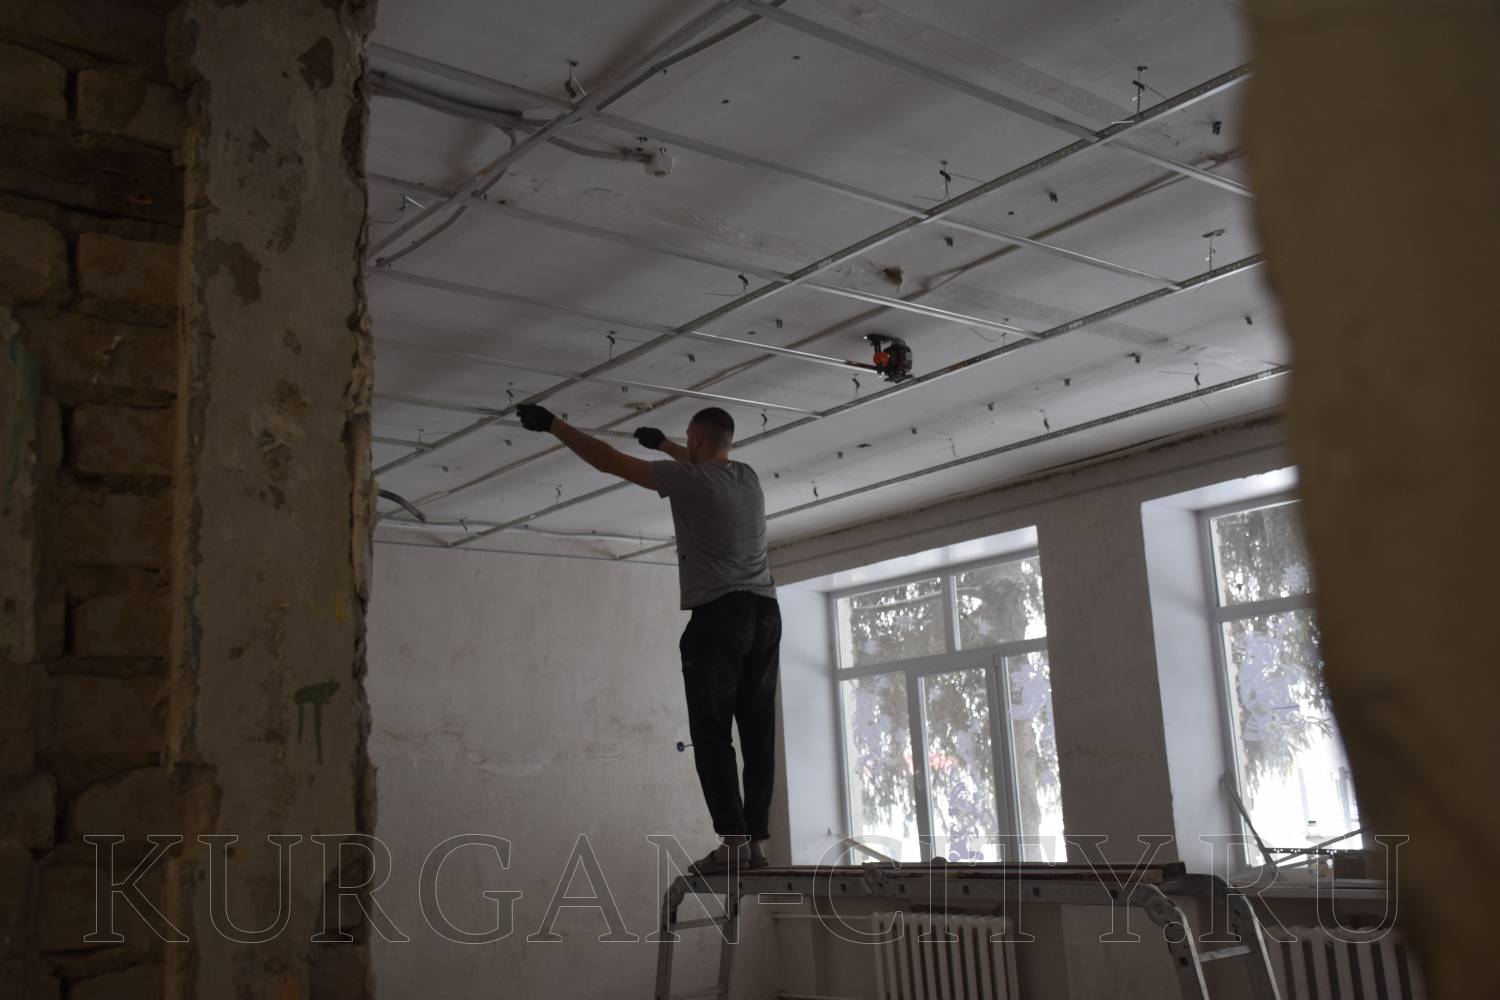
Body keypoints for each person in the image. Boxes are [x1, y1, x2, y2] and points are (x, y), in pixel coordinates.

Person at [515, 402, 781, 874]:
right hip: (766, 614)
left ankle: (732, 842)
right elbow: (702, 464)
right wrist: (663, 444)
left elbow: (607, 461)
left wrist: (553, 423)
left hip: (720, 617)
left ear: (696, 438)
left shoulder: (687, 479)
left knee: (712, 734)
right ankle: (756, 843)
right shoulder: (747, 477)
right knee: (758, 732)